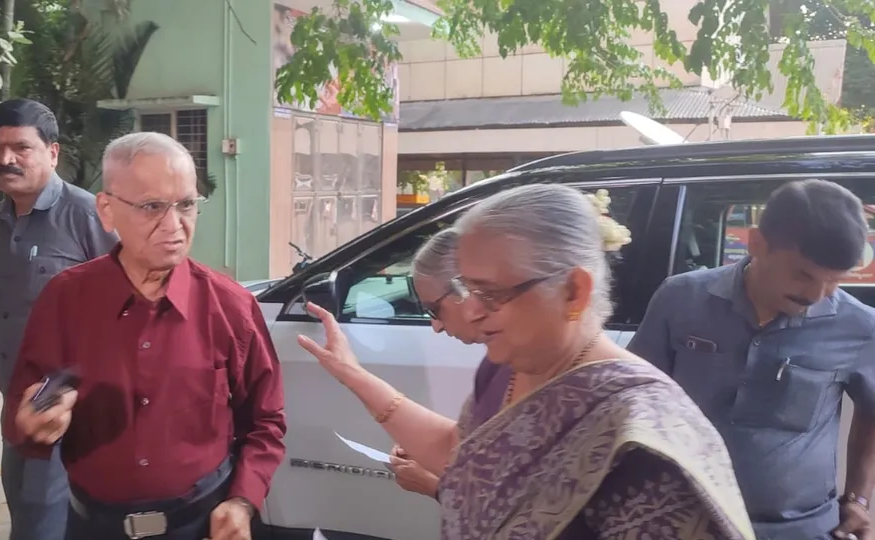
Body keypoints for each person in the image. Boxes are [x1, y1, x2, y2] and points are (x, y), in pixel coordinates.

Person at [299, 183, 756, 539]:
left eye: (492, 294)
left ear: (574, 291)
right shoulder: (508, 365)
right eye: (468, 291)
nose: (473, 312)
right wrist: (352, 375)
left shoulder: (640, 438)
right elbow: (461, 457)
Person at [1, 131, 287, 540]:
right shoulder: (65, 299)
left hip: (201, 525)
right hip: (92, 527)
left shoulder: (231, 307)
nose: (174, 226)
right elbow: (20, 409)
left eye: (186, 204)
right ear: (107, 210)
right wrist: (30, 426)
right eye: (152, 207)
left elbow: (266, 421)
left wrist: (243, 502)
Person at [628, 179, 875, 540]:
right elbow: (636, 397)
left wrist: (858, 497)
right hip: (682, 520)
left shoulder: (859, 327)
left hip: (800, 529)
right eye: (803, 274)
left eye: (833, 282)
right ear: (756, 243)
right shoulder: (680, 299)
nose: (816, 295)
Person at [0, 98, 118, 540]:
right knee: (23, 506)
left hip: (68, 407)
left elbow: (125, 303)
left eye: (20, 147)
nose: (6, 159)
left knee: (44, 522)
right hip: (15, 404)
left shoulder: (87, 215)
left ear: (52, 153)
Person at [390, 228, 485, 498]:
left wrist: (438, 488)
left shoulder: (510, 364)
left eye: (434, 309)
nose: (435, 327)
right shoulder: (497, 364)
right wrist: (424, 451)